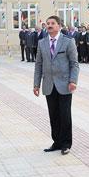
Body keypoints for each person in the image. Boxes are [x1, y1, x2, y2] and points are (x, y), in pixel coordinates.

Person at [34, 16, 80, 155]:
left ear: (59, 26)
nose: (49, 25)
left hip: (65, 84)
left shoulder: (68, 41)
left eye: (52, 23)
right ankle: (57, 142)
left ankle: (66, 143)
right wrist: (36, 84)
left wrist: (73, 81)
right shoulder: (42, 43)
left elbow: (74, 64)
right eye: (47, 23)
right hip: (49, 84)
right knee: (53, 115)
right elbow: (38, 65)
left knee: (65, 115)